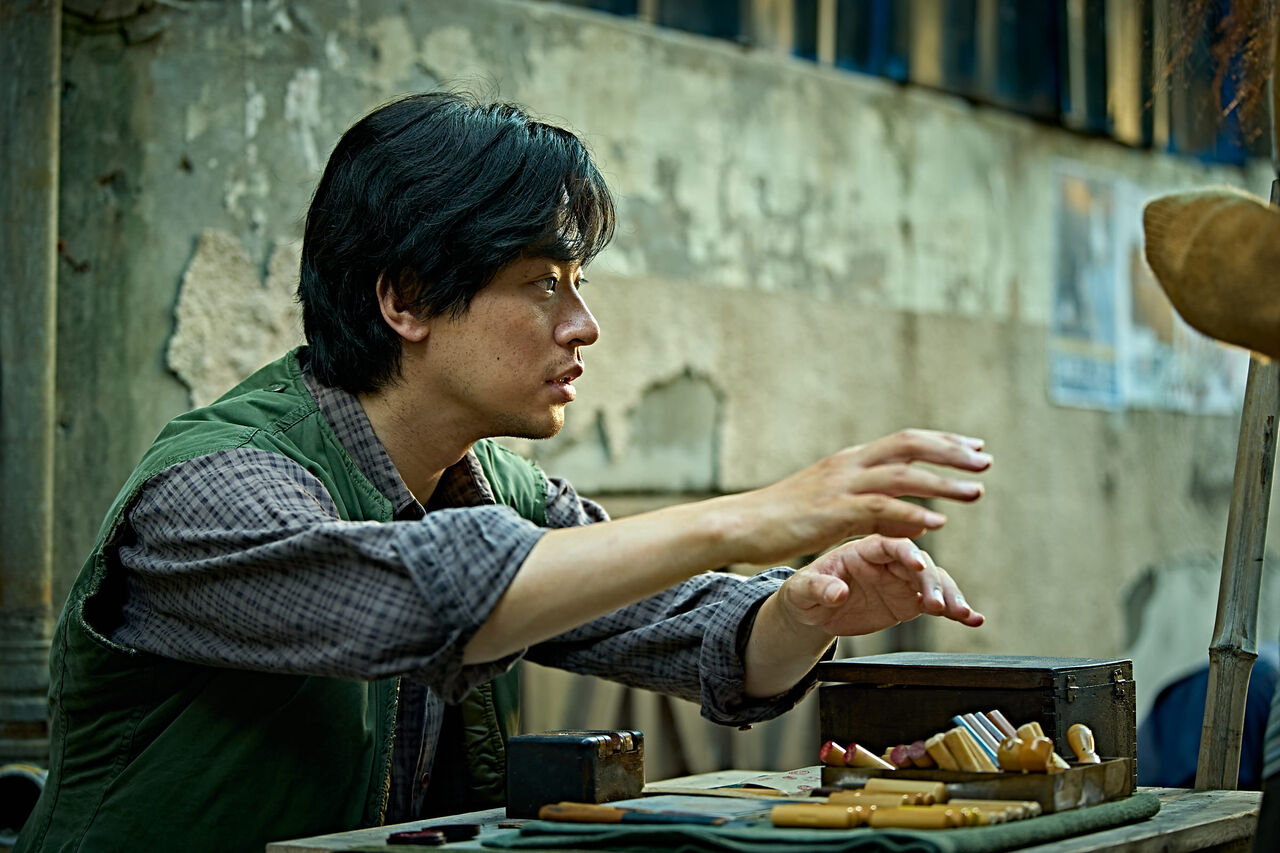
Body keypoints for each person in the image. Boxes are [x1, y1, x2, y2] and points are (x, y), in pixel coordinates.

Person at [15, 92, 991, 853]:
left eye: (578, 285)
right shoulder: (212, 487)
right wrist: (745, 517)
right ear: (405, 299)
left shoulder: (491, 483)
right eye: (540, 284)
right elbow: (429, 596)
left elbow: (692, 633)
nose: (584, 326)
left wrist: (803, 609)